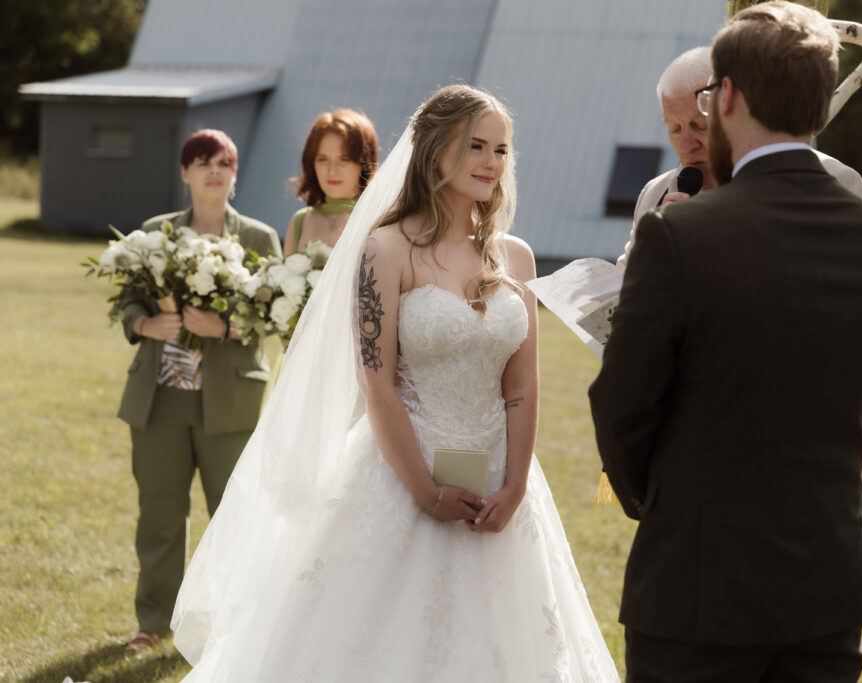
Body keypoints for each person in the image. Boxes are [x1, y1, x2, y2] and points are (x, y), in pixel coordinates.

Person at [171, 85, 618, 681]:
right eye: (476, 146)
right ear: (434, 150)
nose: (491, 162)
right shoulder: (387, 248)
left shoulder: (516, 257)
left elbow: (522, 386)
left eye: (502, 150)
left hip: (501, 482)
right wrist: (425, 491)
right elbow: (375, 382)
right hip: (402, 472)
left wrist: (513, 486)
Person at [589, 3, 862, 681]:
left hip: (700, 582)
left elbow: (622, 402)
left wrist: (661, 497)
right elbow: (861, 385)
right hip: (830, 578)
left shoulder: (679, 233)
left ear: (726, 95)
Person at [115, 129, 282, 652]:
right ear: (184, 173)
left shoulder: (259, 238)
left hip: (229, 403)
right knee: (160, 515)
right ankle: (152, 623)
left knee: (233, 518)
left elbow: (274, 314)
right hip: (160, 399)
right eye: (202, 162)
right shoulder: (153, 233)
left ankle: (233, 630)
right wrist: (146, 325)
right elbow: (128, 302)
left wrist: (224, 328)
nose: (214, 171)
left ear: (235, 174)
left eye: (223, 163)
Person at [617, 45, 862, 268]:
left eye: (700, 126)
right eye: (674, 128)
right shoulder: (655, 195)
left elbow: (851, 293)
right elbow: (624, 292)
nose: (685, 145)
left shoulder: (833, 184)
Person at [283, 108, 379, 256]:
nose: (332, 171)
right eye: (323, 159)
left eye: (344, 159)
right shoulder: (299, 221)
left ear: (364, 163)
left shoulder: (379, 219)